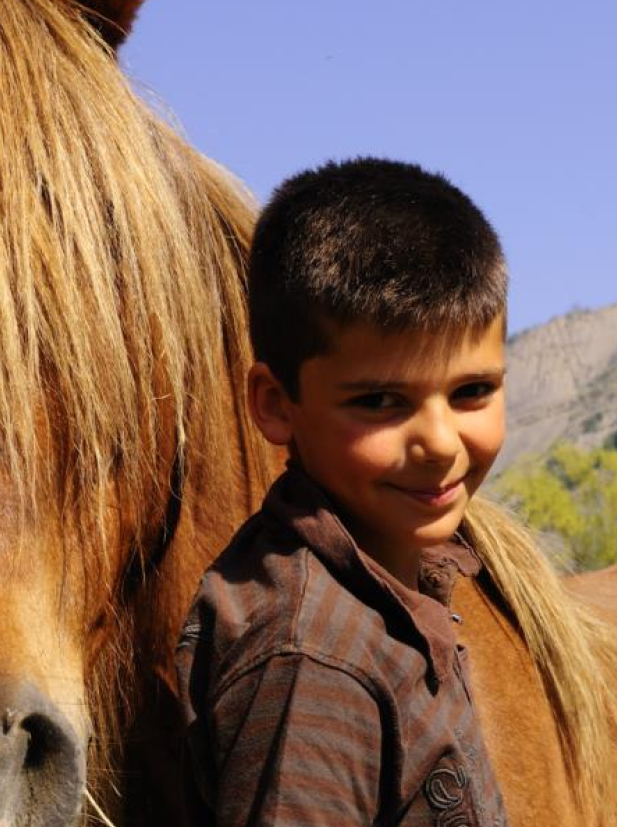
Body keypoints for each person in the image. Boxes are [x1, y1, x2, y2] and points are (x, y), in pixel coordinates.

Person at [176, 157, 513, 826]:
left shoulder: (392, 589)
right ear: (275, 404)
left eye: (472, 391)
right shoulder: (314, 662)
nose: (441, 443)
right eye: (382, 401)